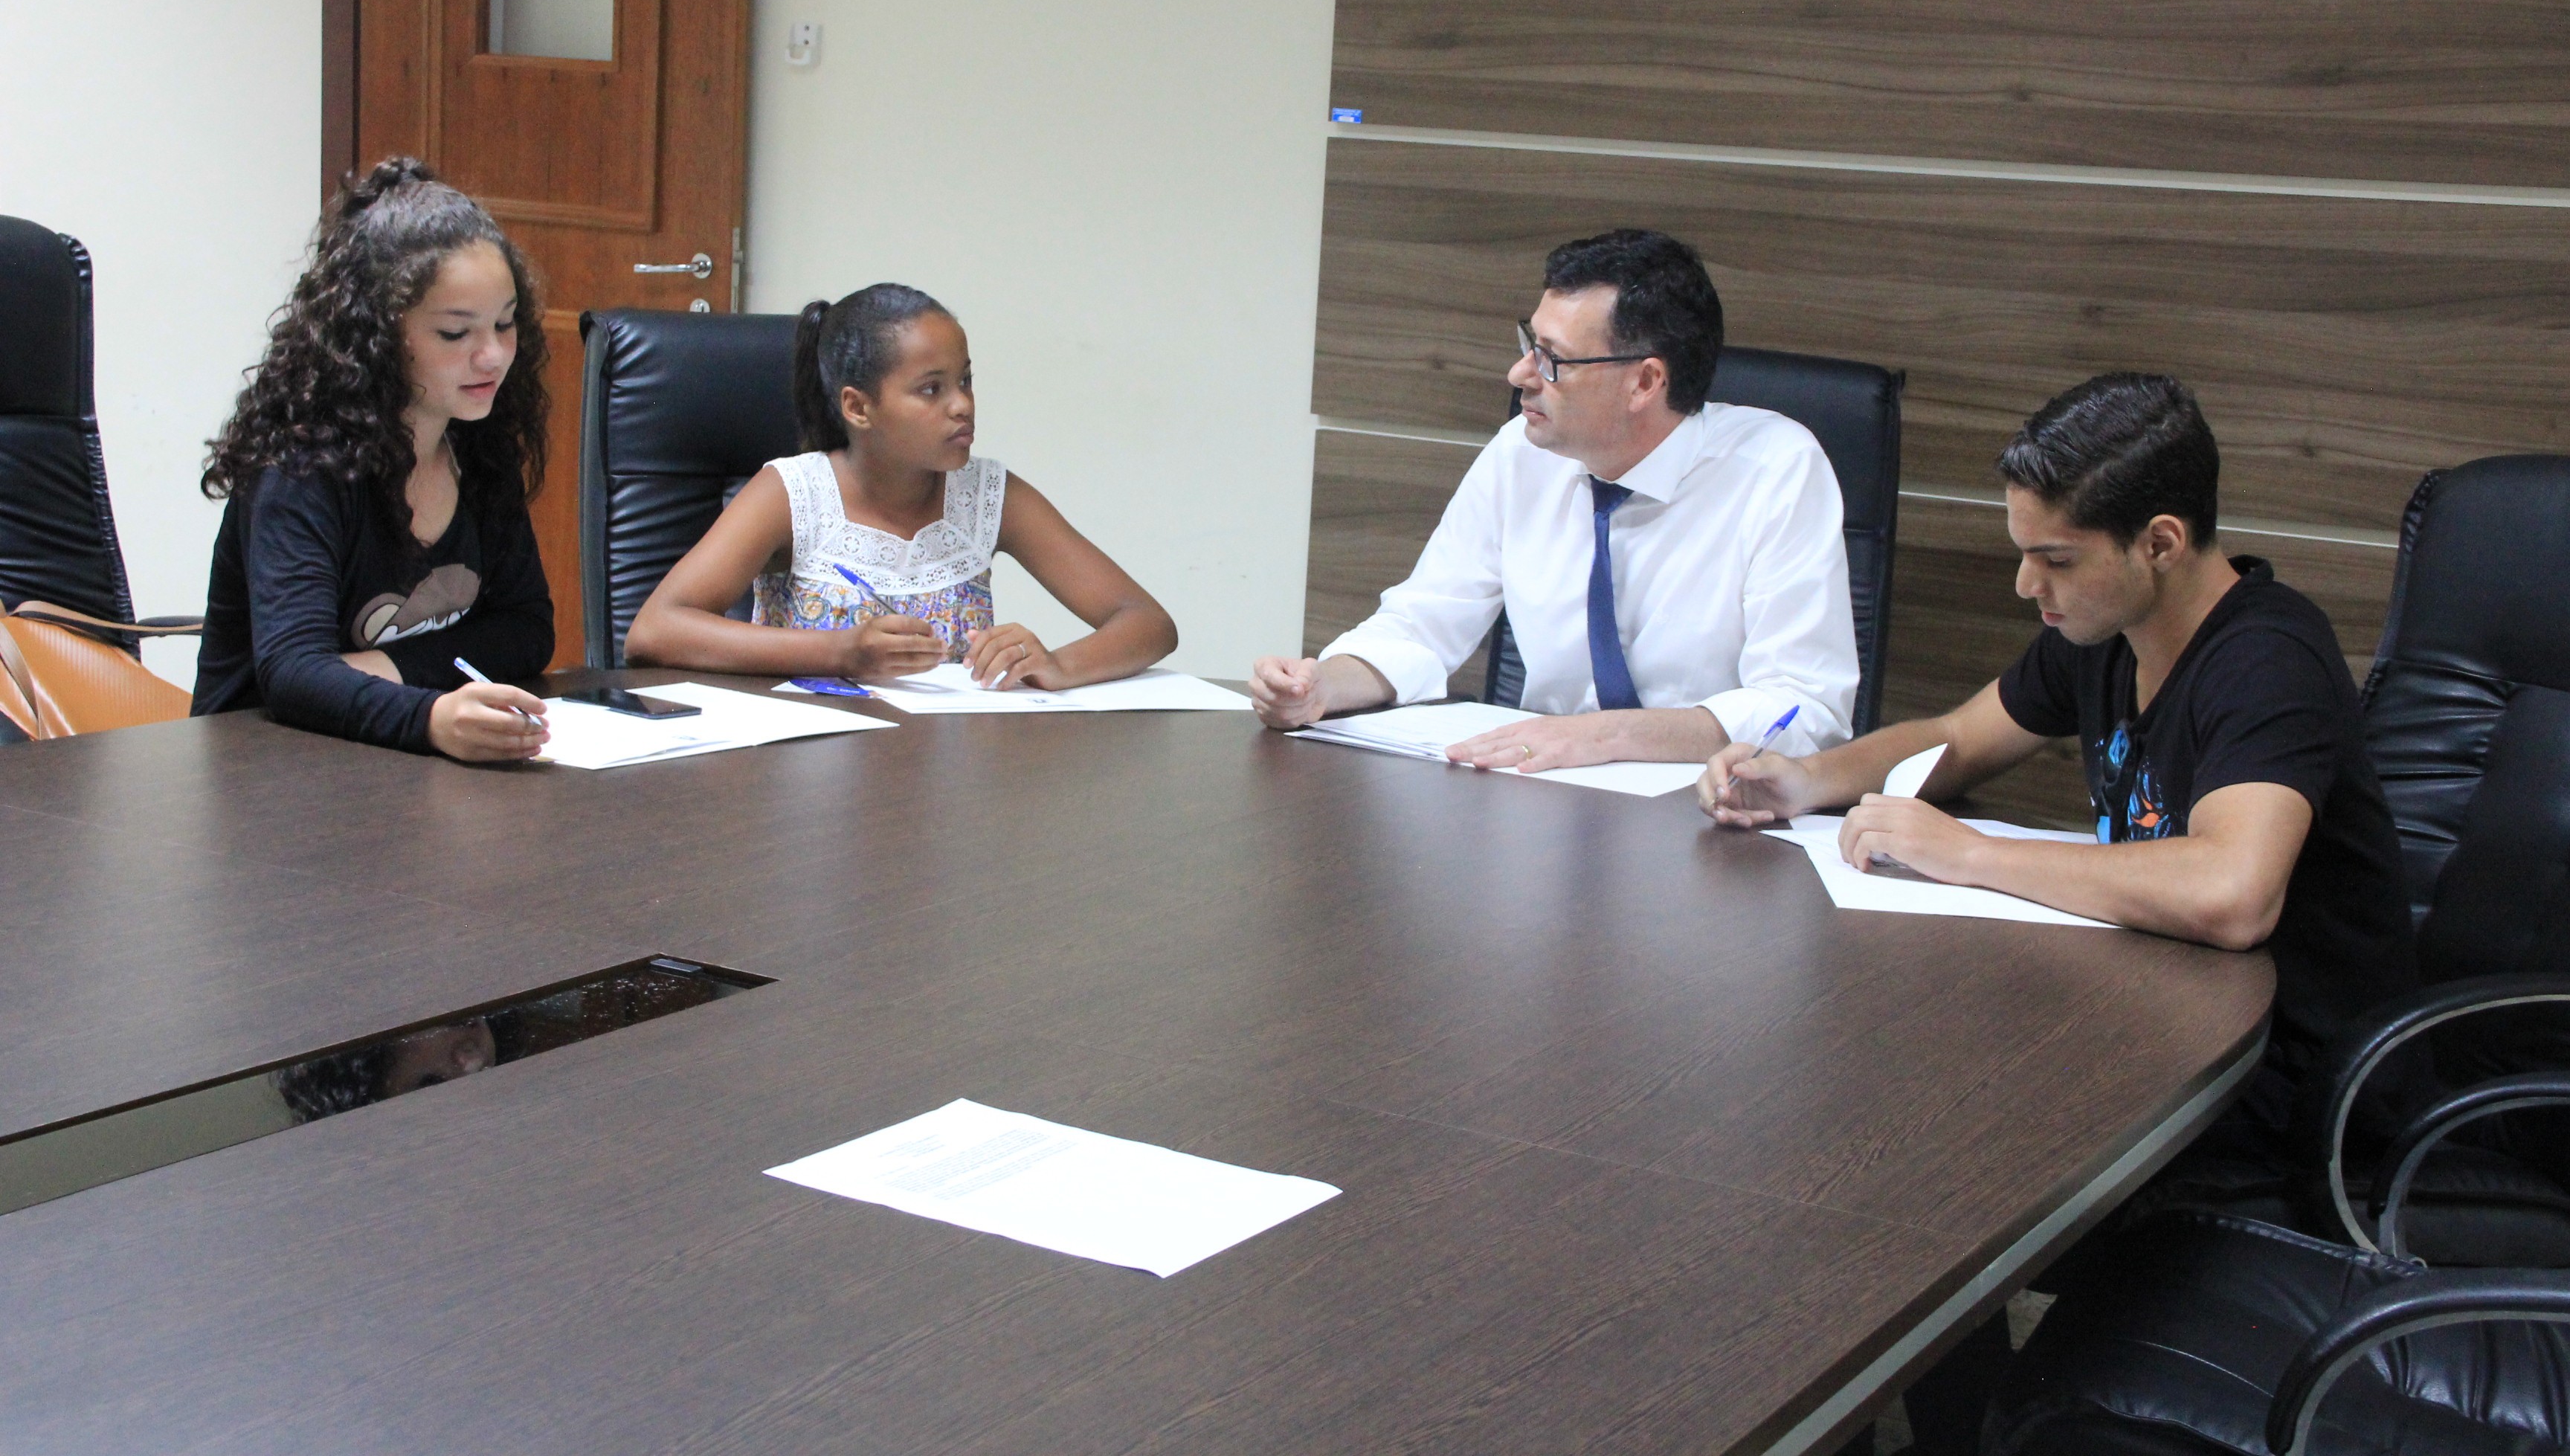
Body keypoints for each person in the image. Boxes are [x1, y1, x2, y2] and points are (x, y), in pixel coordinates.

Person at [1699, 373, 2419, 1455]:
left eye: (2057, 559)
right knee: (1859, 1130)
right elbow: (1955, 737)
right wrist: (1806, 780)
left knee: (1909, 1176)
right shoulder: (2100, 633)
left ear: (2161, 541)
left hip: (2275, 1081)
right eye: (2024, 552)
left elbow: (2232, 892)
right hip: (2146, 1021)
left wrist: (1975, 853)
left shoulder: (2265, 656)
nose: (2028, 585)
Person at [1249, 228, 1858, 769]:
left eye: (1553, 359)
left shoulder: (1775, 468)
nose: (1520, 375)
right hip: (1541, 794)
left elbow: (1805, 710)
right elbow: (1421, 625)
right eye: (1528, 344)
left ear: (1645, 381)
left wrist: (1606, 736)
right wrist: (1320, 687)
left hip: (1707, 810)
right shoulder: (1523, 451)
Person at [624, 283, 1177, 687]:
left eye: (965, 380)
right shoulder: (792, 494)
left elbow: (1147, 622)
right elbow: (655, 631)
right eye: (931, 389)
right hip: (805, 777)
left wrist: (1060, 665)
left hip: (944, 779)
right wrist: (839, 652)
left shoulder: (989, 497)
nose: (962, 404)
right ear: (859, 407)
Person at [195, 159, 555, 762]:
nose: (493, 355)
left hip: (387, 765)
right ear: (380, 335)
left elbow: (525, 627)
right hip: (262, 773)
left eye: (505, 324)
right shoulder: (303, 468)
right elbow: (290, 673)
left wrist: (381, 668)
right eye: (454, 334)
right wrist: (432, 717)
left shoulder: (478, 446)